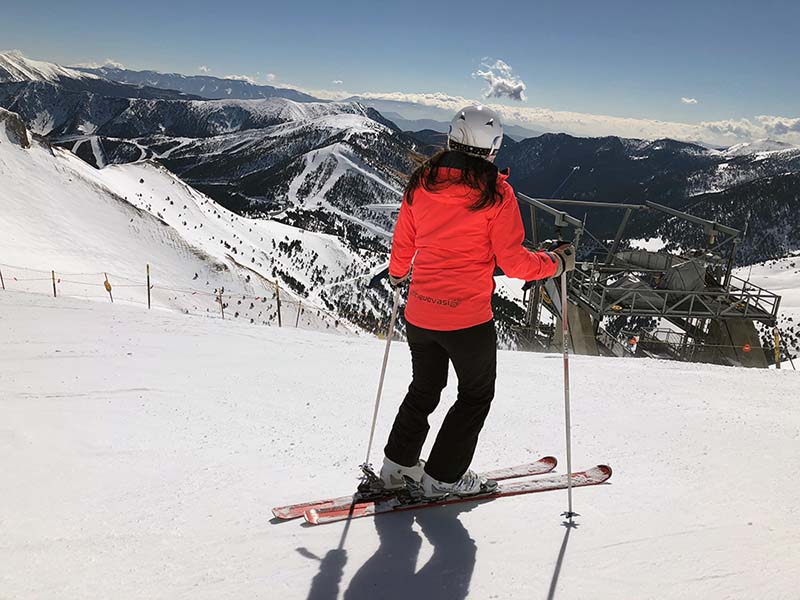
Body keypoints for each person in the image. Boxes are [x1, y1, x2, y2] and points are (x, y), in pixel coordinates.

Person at [379, 105, 576, 498]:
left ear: (451, 139)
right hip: (467, 319)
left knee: (424, 388)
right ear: (493, 149)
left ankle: (397, 467)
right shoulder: (496, 194)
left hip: (420, 313)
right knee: (474, 395)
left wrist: (399, 274)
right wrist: (554, 263)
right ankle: (443, 479)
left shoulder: (421, 184)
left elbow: (403, 246)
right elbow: (514, 263)